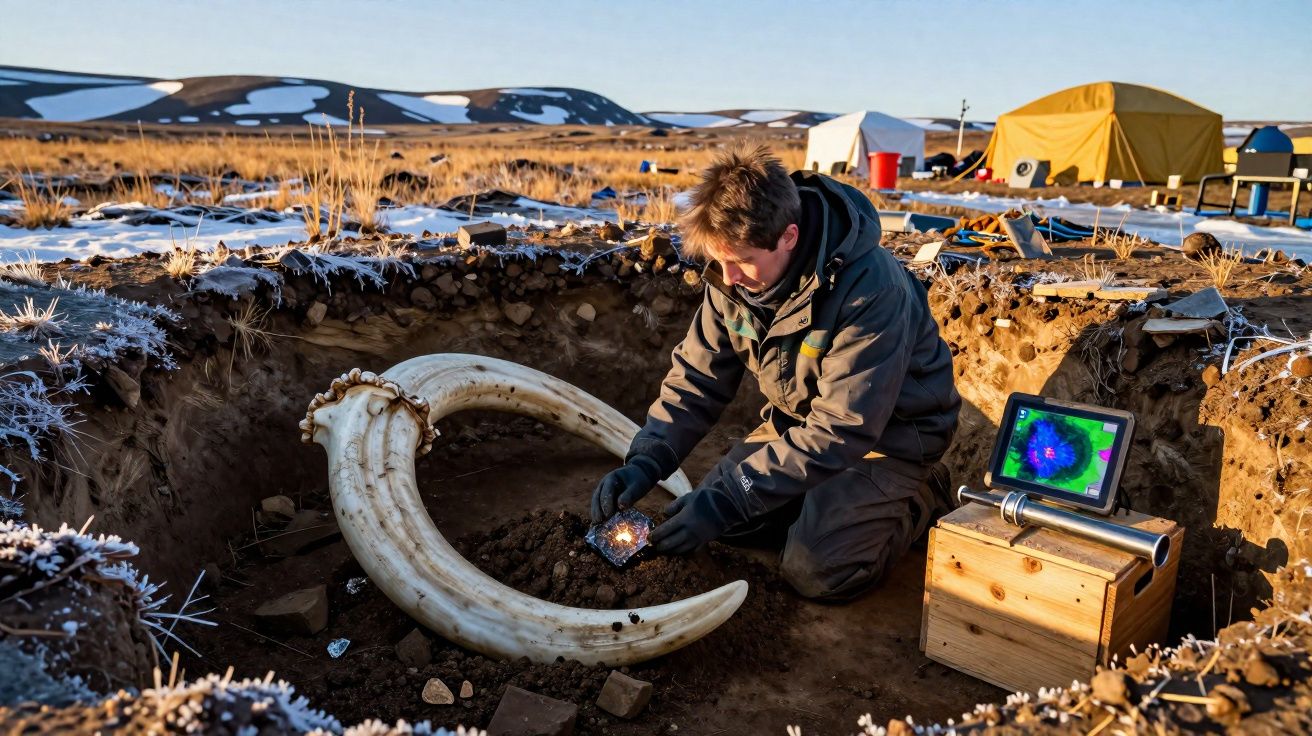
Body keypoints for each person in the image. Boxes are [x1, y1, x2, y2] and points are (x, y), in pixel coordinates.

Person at [590, 145, 960, 600]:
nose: (727, 279)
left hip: (887, 441)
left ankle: (921, 495)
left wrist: (730, 499)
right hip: (798, 427)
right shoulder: (735, 277)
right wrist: (648, 459)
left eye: (741, 261)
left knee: (817, 571)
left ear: (788, 236)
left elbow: (844, 426)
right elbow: (697, 379)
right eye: (718, 261)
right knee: (716, 523)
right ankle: (810, 501)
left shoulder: (871, 290)